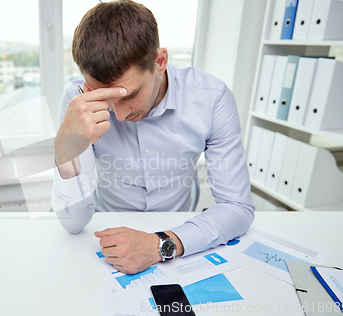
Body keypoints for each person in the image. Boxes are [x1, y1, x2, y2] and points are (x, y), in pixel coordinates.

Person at [52, 0, 254, 275]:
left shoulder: (212, 98)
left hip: (180, 228)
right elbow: (74, 223)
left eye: (130, 95)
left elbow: (237, 207)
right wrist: (67, 147)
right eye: (106, 99)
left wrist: (161, 244)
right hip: (105, 230)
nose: (119, 116)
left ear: (160, 61)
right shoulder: (78, 103)